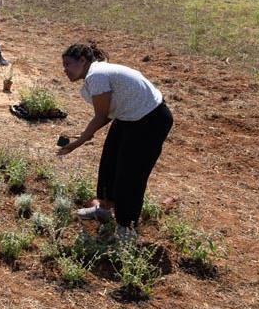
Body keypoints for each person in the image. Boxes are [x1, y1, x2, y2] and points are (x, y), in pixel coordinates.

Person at [56, 43, 173, 240]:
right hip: (129, 116)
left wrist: (80, 141)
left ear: (82, 61)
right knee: (110, 162)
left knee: (130, 174)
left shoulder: (96, 75)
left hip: (151, 119)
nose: (64, 69)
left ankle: (126, 228)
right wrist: (83, 134)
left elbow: (101, 116)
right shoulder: (95, 74)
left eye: (68, 64)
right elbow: (109, 112)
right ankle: (103, 209)